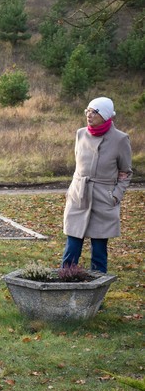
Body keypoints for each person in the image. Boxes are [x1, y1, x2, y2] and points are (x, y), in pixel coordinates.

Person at [62, 97, 132, 273]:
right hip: (79, 196)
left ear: (106, 115)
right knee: (71, 248)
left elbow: (125, 173)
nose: (89, 115)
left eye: (94, 112)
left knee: (99, 252)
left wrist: (115, 195)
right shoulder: (81, 134)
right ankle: (63, 291)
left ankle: (96, 296)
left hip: (103, 199)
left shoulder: (120, 139)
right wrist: (72, 189)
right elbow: (78, 166)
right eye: (88, 111)